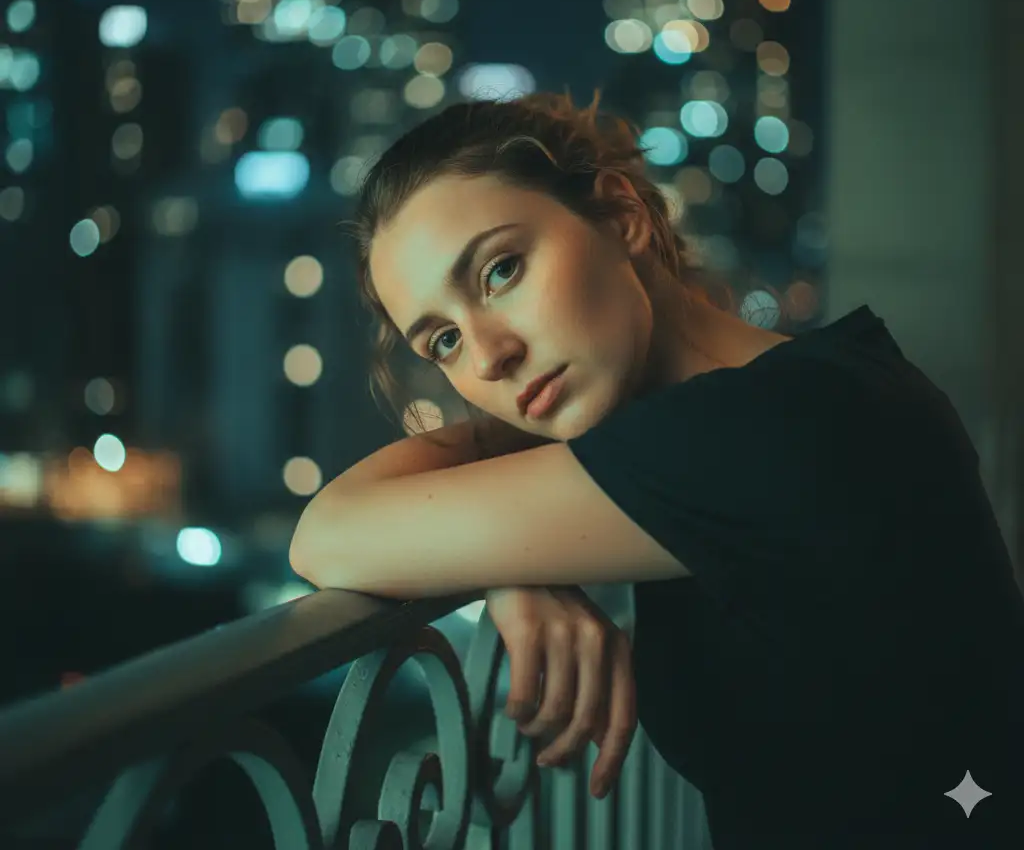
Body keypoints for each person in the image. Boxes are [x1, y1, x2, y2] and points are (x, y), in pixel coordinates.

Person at [298, 90, 1024, 848]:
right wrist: (509, 560)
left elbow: (327, 532)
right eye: (443, 341)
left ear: (622, 217)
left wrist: (488, 546)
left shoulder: (765, 429)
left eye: (501, 270)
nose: (488, 357)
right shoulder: (819, 381)